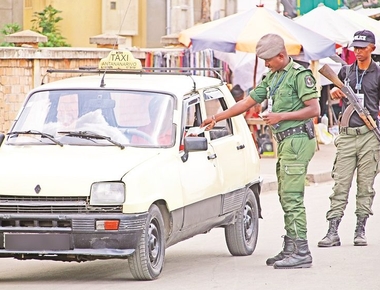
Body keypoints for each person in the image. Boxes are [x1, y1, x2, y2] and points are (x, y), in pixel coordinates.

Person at [201, 33, 320, 269]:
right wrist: (217, 117)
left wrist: (280, 116)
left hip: (297, 140)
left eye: (269, 59)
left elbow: (314, 109)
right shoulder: (272, 77)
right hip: (285, 142)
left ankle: (302, 251)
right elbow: (246, 103)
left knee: (293, 197)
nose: (265, 64)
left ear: (281, 55)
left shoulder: (300, 75)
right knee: (285, 194)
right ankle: (291, 247)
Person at [318, 30, 380, 248]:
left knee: (366, 186)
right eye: (355, 47)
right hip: (346, 136)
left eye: (363, 47)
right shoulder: (346, 72)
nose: (358, 51)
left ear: (373, 47)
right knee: (340, 184)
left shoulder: (378, 74)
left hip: (369, 136)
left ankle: (360, 228)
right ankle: (332, 230)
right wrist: (336, 91)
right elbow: (336, 92)